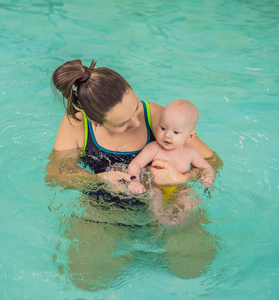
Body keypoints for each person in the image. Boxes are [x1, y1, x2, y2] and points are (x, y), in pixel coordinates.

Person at [45, 59, 222, 290]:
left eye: (137, 107)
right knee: (87, 280)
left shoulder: (158, 117)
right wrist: (97, 180)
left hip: (169, 203)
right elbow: (55, 174)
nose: (138, 122)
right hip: (104, 212)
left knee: (193, 269)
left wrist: (181, 179)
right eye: (123, 123)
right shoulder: (77, 124)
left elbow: (212, 162)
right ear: (94, 120)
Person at [127, 99, 215, 224]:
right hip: (156, 187)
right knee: (155, 195)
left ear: (190, 136)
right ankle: (159, 219)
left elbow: (206, 167)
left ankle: (177, 221)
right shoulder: (154, 148)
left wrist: (208, 177)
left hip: (179, 188)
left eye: (176, 132)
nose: (167, 135)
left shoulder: (191, 152)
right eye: (163, 128)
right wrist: (134, 181)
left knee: (190, 197)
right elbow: (135, 164)